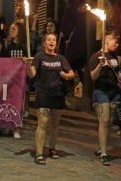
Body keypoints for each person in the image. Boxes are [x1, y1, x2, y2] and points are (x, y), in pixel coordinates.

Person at [24, 33, 74, 165]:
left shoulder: (60, 58)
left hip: (57, 94)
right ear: (44, 43)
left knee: (55, 124)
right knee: (43, 123)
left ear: (56, 43)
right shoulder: (39, 57)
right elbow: (32, 74)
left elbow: (72, 73)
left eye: (54, 40)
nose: (52, 42)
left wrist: (65, 74)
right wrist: (28, 65)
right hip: (43, 93)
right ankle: (39, 153)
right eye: (49, 40)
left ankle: (52, 148)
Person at [89, 33, 120, 166]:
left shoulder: (114, 57)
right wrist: (100, 65)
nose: (117, 44)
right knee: (104, 121)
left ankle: (102, 147)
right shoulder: (96, 56)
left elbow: (117, 74)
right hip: (101, 91)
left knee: (109, 122)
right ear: (107, 41)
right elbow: (93, 76)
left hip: (114, 91)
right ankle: (104, 153)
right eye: (115, 41)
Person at [0, 21, 27, 139]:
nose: (11, 31)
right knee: (6, 102)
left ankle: (16, 127)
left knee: (18, 104)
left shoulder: (24, 47)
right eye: (10, 29)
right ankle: (6, 124)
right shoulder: (6, 45)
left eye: (14, 29)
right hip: (8, 79)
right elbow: (1, 60)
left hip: (19, 80)